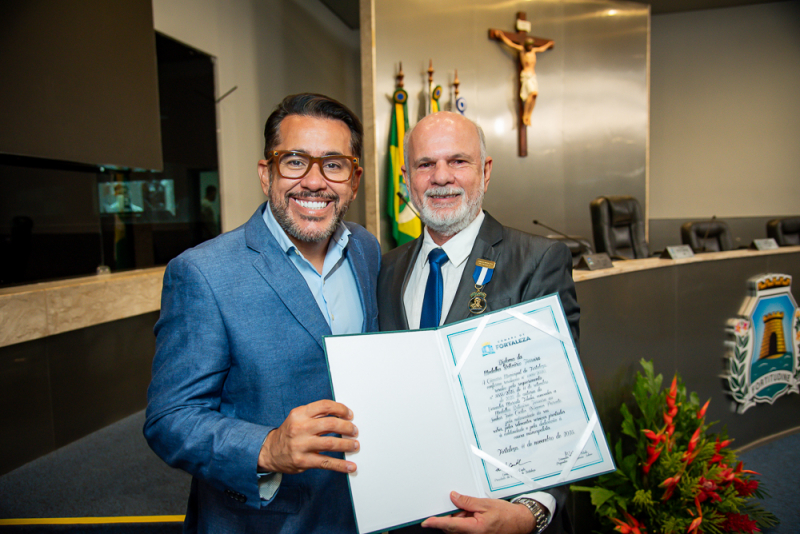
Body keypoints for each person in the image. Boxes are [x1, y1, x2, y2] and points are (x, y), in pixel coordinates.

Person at [144, 93, 380, 533]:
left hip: (360, 508)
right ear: (265, 173)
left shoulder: (366, 249)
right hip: (264, 520)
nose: (315, 182)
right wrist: (268, 448)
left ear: (354, 179)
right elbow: (169, 419)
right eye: (295, 161)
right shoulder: (203, 273)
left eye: (334, 164)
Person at [378, 111, 579, 534]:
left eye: (458, 161)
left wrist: (529, 513)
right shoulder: (386, 269)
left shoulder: (538, 261)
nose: (441, 177)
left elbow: (557, 405)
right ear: (407, 178)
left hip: (502, 511)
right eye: (425, 164)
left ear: (485, 171)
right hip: (406, 512)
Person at [491, 31, 553, 126]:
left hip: (533, 76)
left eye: (531, 45)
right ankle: (525, 115)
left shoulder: (534, 51)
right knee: (531, 94)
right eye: (529, 45)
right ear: (526, 45)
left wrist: (549, 44)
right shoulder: (522, 51)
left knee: (534, 95)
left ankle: (529, 115)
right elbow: (510, 44)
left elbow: (542, 48)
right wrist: (501, 36)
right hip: (526, 76)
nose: (530, 47)